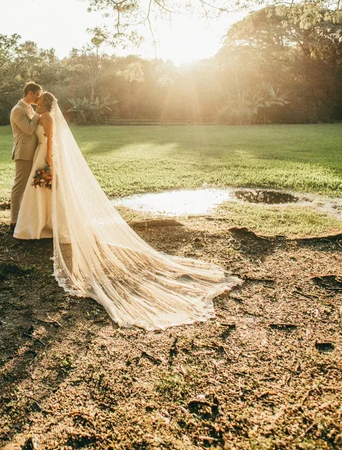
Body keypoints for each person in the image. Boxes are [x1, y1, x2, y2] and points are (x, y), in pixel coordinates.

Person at [14, 92, 242, 331]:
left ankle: (42, 226)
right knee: (44, 195)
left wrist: (49, 161)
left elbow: (51, 141)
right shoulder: (43, 115)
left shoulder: (47, 117)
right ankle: (42, 225)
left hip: (46, 157)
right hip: (42, 157)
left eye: (39, 102)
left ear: (46, 104)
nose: (36, 104)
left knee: (47, 194)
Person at [13, 91, 55, 239]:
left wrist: (49, 155)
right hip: (37, 152)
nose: (38, 100)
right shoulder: (38, 114)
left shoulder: (46, 116)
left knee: (41, 186)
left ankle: (44, 222)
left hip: (44, 152)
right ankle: (33, 220)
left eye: (40, 98)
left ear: (44, 103)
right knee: (34, 186)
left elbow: (50, 137)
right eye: (37, 96)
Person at [9, 82, 42, 231]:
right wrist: (38, 115)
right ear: (30, 93)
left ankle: (23, 217)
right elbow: (28, 130)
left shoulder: (28, 108)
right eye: (37, 95)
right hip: (23, 153)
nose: (38, 98)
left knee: (27, 187)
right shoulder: (17, 110)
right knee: (19, 186)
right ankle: (14, 221)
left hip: (32, 152)